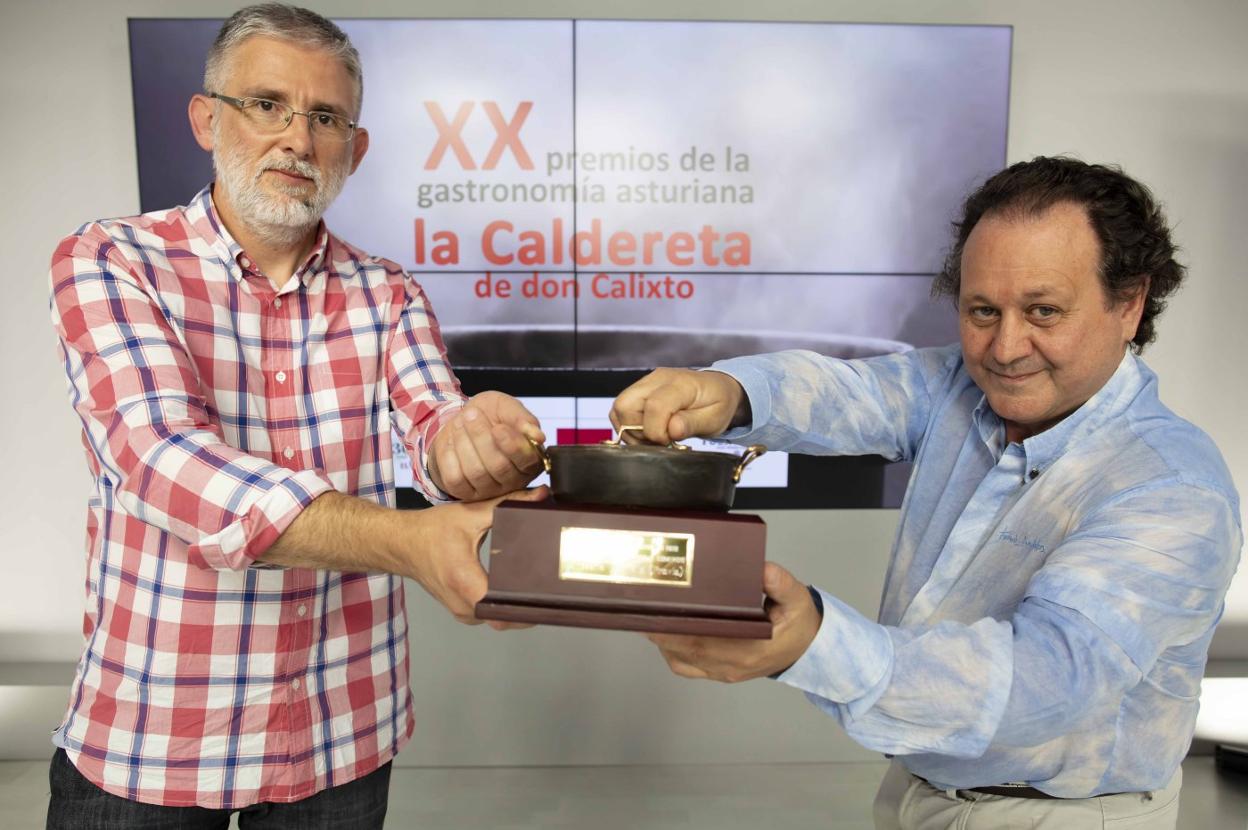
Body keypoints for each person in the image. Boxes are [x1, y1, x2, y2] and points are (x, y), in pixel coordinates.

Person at [613, 156, 1242, 829]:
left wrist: (813, 644)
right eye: (981, 310)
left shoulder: (1171, 489)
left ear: (1130, 303)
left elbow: (1047, 683)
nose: (1005, 347)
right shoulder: (961, 389)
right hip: (920, 789)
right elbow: (849, 393)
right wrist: (726, 392)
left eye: (1043, 311)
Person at [45, 4, 544, 826]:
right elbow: (162, 458)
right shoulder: (111, 258)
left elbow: (433, 434)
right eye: (267, 104)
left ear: (355, 147)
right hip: (156, 735)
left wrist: (481, 445)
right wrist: (411, 541)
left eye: (324, 117)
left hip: (341, 728)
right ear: (207, 119)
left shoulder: (389, 290)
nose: (297, 139)